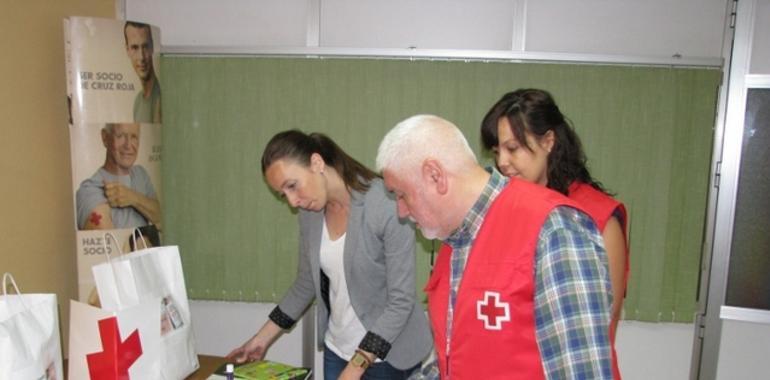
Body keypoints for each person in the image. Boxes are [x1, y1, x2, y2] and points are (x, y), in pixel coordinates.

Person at [376, 115, 613, 379]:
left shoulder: (552, 229)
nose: (401, 210)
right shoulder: (456, 243)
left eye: (401, 194)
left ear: (435, 176)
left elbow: (581, 372)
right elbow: (449, 364)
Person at [227, 130, 432, 380]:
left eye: (293, 186)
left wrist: (356, 366)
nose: (293, 202)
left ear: (316, 163)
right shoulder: (310, 212)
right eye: (284, 194)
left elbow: (400, 301)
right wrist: (259, 341)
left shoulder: (385, 204)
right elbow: (305, 284)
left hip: (388, 356)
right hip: (338, 350)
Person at [480, 89, 628, 378]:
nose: (503, 163)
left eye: (513, 149)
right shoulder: (505, 210)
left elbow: (601, 330)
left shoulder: (596, 218)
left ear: (548, 141)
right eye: (498, 152)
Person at [76, 123, 160, 230]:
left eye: (134, 137)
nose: (128, 145)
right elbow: (107, 243)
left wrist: (133, 198)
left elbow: (162, 219)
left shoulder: (141, 174)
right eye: (120, 136)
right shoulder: (89, 190)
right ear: (105, 138)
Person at [124, 21, 161, 123]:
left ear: (152, 47)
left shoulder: (160, 100)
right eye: (135, 48)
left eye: (145, 47)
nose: (141, 57)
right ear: (127, 50)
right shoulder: (138, 102)